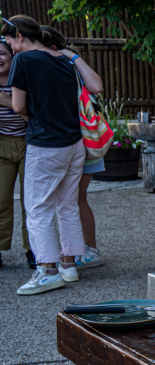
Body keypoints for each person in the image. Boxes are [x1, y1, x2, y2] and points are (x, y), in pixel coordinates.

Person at [2, 15, 97, 295]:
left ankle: (48, 270)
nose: (9, 46)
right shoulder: (63, 60)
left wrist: (33, 114)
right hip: (74, 143)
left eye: (9, 40)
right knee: (66, 205)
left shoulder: (23, 61)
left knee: (37, 208)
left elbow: (19, 106)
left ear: (19, 35)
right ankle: (69, 264)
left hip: (45, 144)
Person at [41, 25, 104, 269]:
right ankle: (80, 250)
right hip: (74, 140)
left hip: (80, 139)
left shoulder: (68, 66)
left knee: (76, 198)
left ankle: (86, 250)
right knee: (74, 198)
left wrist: (73, 57)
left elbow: (96, 87)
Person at [0, 36, 33, 269]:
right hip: (2, 145)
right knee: (1, 201)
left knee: (30, 203)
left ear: (13, 55)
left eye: (2, 53)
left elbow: (35, 119)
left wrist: (7, 101)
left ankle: (34, 250)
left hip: (30, 144)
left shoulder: (24, 80)